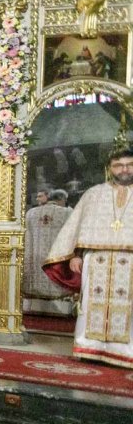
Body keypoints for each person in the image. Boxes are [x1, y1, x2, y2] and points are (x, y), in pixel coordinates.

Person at [43, 149, 133, 367]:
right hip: (96, 260)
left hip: (130, 262)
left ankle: (125, 352)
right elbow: (78, 226)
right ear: (109, 168)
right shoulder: (94, 193)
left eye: (129, 164)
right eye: (118, 165)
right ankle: (89, 348)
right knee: (92, 303)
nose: (124, 169)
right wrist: (75, 254)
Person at [23, 188, 73, 315]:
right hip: (56, 258)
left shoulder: (31, 213)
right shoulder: (67, 213)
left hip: (35, 258)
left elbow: (27, 239)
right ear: (61, 199)